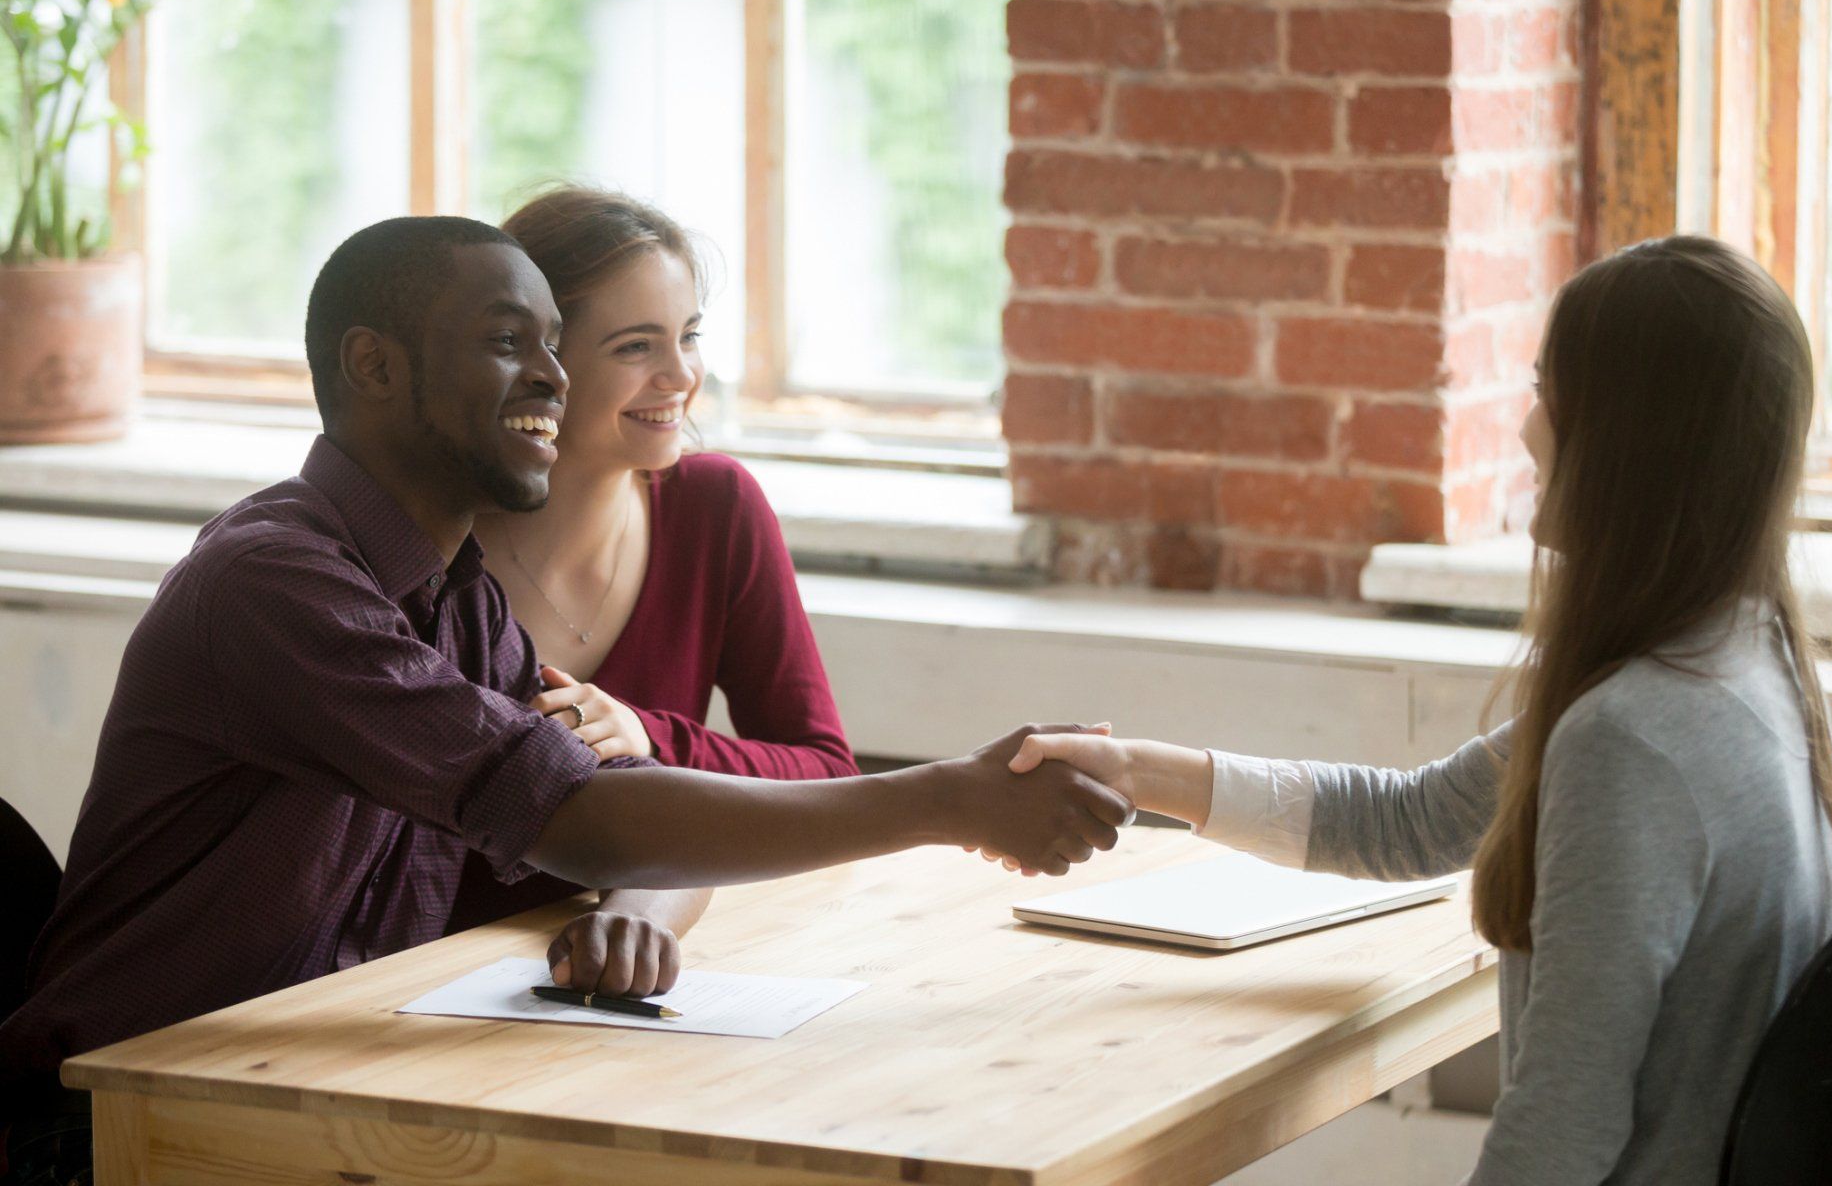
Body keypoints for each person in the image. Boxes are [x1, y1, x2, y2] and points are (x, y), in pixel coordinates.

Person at [0, 217, 1128, 1178]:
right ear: (373, 366)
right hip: (115, 1125)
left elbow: (621, 804)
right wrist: (945, 800)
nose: (553, 377)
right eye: (508, 345)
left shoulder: (459, 600)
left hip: (302, 1089)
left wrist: (638, 901)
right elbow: (570, 811)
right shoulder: (275, 580)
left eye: (555, 345)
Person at [999, 237, 1832, 1185]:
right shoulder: (1735, 660)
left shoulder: (1634, 740)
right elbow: (1409, 820)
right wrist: (1142, 775)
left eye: (1548, 395)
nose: (1530, 431)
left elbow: (1561, 1129)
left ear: (1627, 437)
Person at [473, 187, 852, 782]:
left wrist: (648, 737)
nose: (681, 376)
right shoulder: (422, 538)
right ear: (538, 362)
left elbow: (825, 771)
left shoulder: (714, 507)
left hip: (638, 881)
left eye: (690, 336)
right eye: (636, 347)